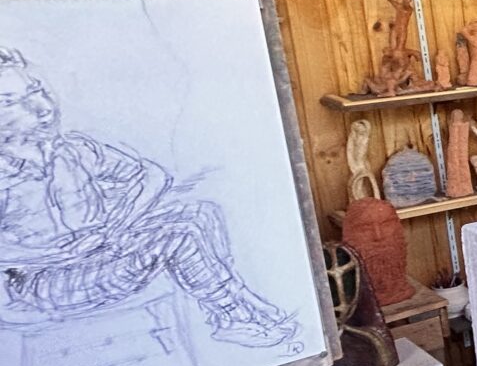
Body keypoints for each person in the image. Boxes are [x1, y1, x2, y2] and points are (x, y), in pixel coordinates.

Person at [0, 48, 295, 349]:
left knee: (200, 213)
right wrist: (60, 252)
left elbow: (153, 175)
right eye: (10, 102)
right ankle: (232, 314)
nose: (42, 108)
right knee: (179, 236)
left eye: (36, 91)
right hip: (49, 282)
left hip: (105, 252)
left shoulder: (74, 149)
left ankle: (236, 299)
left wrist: (117, 224)